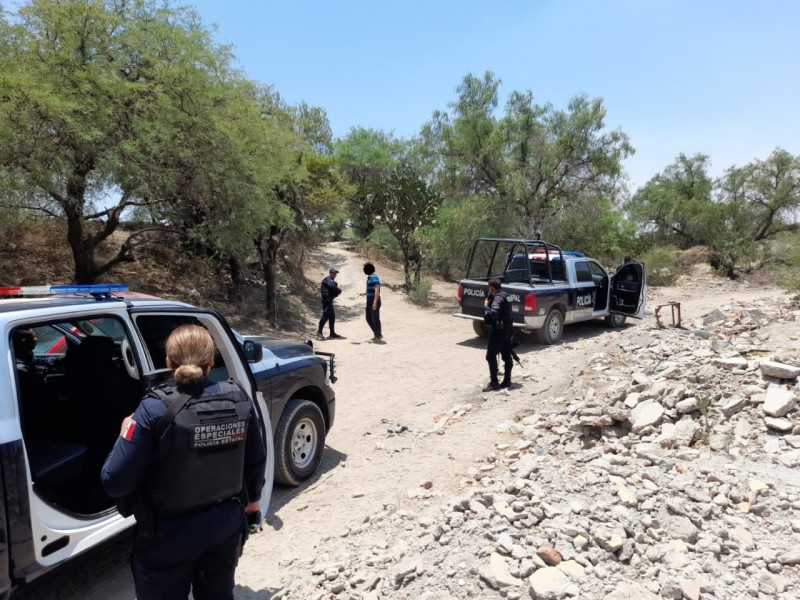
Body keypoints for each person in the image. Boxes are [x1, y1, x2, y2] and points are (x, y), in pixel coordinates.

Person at [101, 324, 267, 600]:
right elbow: (255, 461)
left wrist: (124, 433)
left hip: (167, 535)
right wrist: (253, 505)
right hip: (224, 526)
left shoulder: (153, 408)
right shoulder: (239, 398)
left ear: (168, 361)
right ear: (211, 361)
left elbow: (115, 481)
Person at [483, 278, 514, 391]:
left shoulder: (498, 298)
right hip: (508, 329)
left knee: (491, 356)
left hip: (499, 331)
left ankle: (494, 383)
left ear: (492, 287)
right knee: (506, 355)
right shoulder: (507, 295)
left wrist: (486, 306)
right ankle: (507, 380)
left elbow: (493, 314)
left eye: (489, 287)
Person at [317, 267, 343, 340]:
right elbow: (333, 287)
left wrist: (337, 292)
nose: (335, 274)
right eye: (334, 273)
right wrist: (338, 290)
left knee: (332, 316)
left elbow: (334, 289)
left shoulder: (331, 281)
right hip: (326, 301)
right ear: (330, 273)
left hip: (329, 301)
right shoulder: (328, 280)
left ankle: (332, 333)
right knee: (326, 316)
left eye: (336, 273)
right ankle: (319, 332)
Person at [361, 262, 384, 343]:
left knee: (375, 319)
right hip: (369, 301)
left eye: (365, 270)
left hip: (373, 301)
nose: (364, 272)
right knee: (368, 318)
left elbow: (377, 291)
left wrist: (374, 303)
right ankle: (377, 333)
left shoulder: (374, 279)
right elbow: (372, 289)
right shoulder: (370, 278)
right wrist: (365, 293)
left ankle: (378, 335)